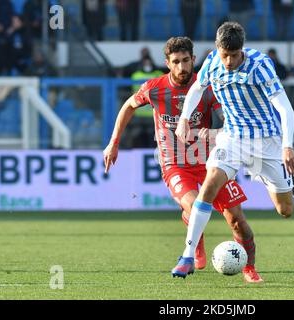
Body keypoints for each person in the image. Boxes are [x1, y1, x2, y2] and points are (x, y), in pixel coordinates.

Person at [103, 36, 263, 283]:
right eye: (176, 62)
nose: (182, 67)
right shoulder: (154, 88)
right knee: (194, 205)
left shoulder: (207, 87)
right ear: (167, 63)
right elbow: (128, 106)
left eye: (186, 60)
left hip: (212, 163)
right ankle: (194, 244)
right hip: (175, 165)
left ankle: (249, 268)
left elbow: (227, 122)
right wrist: (113, 143)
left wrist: (224, 133)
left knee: (237, 221)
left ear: (194, 60)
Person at [173, 22, 294, 278]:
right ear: (218, 49)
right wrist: (185, 117)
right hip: (233, 138)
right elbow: (197, 88)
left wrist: (287, 146)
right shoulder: (212, 62)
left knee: (285, 209)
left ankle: (284, 190)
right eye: (224, 55)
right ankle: (186, 255)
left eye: (233, 55)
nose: (229, 61)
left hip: (267, 140)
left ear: (242, 49)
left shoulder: (260, 66)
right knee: (209, 187)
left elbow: (285, 108)